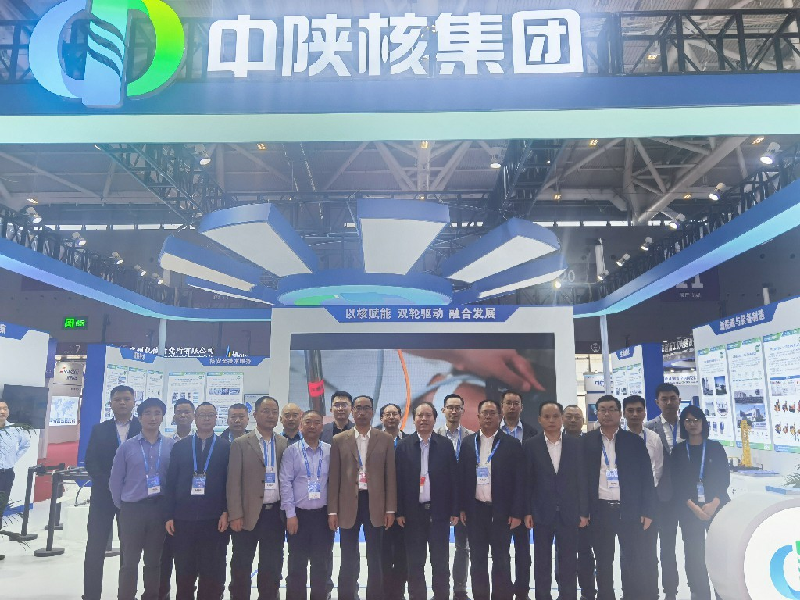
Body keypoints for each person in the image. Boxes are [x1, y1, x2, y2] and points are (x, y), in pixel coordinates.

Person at [583, 395, 657, 600]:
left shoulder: (633, 441)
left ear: (619, 413)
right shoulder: (586, 441)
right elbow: (581, 479)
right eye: (602, 409)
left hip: (629, 511)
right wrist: (583, 511)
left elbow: (646, 478)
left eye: (611, 409)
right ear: (597, 413)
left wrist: (647, 510)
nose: (607, 414)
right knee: (603, 561)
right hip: (600, 511)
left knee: (633, 559)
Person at [328, 394, 397, 600]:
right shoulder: (339, 440)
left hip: (376, 504)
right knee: (348, 556)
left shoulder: (385, 439)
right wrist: (332, 510)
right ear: (352, 411)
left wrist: (390, 509)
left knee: (375, 557)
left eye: (366, 408)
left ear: (372, 412)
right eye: (358, 408)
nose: (362, 412)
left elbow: (390, 477)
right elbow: (334, 477)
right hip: (347, 504)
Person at [459, 399, 525, 600]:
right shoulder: (468, 443)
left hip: (502, 512)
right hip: (475, 511)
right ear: (478, 416)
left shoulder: (512, 445)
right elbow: (462, 478)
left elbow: (520, 481)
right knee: (477, 560)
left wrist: (516, 512)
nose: (488, 417)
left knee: (501, 559)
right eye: (484, 413)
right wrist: (462, 508)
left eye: (492, 413)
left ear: (500, 416)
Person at [110, 397, 175, 600]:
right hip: (132, 510)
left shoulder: (171, 446)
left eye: (157, 413)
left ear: (162, 417)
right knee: (129, 561)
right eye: (147, 413)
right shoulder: (127, 447)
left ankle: (151, 596)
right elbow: (115, 481)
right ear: (139, 418)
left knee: (154, 561)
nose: (152, 418)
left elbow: (173, 480)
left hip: (158, 509)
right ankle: (126, 596)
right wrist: (123, 506)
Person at [164, 402, 230, 600]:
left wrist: (225, 511)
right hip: (183, 518)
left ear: (216, 418)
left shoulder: (225, 447)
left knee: (211, 570)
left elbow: (229, 483)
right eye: (202, 415)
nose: (206, 419)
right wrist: (169, 515)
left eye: (210, 415)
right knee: (184, 568)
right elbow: (171, 482)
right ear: (195, 418)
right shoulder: (180, 447)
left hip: (214, 519)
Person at [524, 401, 588, 600]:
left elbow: (582, 480)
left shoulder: (576, 444)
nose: (551, 420)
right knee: (542, 562)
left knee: (569, 562)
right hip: (541, 513)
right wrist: (527, 511)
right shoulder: (531, 445)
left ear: (561, 419)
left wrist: (584, 511)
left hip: (570, 512)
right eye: (547, 416)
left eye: (555, 416)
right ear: (539, 420)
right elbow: (527, 481)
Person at [83, 385, 142, 600]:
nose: (122, 403)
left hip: (132, 498)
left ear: (134, 402)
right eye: (118, 399)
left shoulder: (143, 427)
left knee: (130, 549)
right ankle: (91, 595)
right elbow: (90, 461)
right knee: (95, 547)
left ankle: (126, 594)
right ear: (111, 403)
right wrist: (110, 483)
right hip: (103, 497)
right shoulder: (100, 429)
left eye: (127, 399)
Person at [227, 396, 289, 600]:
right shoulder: (240, 443)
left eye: (274, 412)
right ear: (255, 415)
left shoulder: (283, 443)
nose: (270, 416)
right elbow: (233, 482)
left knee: (272, 566)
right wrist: (235, 514)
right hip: (247, 514)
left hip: (275, 515)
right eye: (265, 411)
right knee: (241, 564)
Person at [395, 401, 458, 600]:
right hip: (413, 514)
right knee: (415, 563)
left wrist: (454, 510)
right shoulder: (403, 446)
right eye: (420, 415)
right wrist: (399, 512)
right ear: (413, 419)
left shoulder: (445, 445)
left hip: (439, 513)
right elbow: (398, 482)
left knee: (440, 562)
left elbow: (453, 480)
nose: (424, 419)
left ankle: (441, 596)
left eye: (428, 415)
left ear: (435, 419)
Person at [671, 406, 730, 600]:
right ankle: (700, 593)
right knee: (694, 555)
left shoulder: (715, 447)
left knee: (718, 552)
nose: (692, 424)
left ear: (703, 422)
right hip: (690, 511)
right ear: (683, 424)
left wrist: (714, 503)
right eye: (688, 420)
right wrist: (694, 507)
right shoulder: (678, 451)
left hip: (717, 508)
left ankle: (721, 594)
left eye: (696, 420)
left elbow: (724, 478)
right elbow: (676, 482)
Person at [279, 410, 334, 600]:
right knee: (297, 564)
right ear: (301, 426)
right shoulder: (291, 451)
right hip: (298, 516)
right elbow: (285, 483)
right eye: (308, 422)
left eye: (316, 422)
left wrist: (333, 512)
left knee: (321, 564)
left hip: (323, 516)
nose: (312, 426)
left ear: (322, 427)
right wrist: (290, 514)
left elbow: (335, 483)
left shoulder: (330, 450)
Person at [644, 383, 683, 600]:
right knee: (663, 547)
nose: (669, 402)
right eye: (664, 399)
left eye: (672, 398)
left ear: (679, 400)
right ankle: (664, 591)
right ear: (657, 402)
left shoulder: (688, 426)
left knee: (689, 547)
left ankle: (680, 590)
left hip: (687, 497)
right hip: (661, 497)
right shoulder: (648, 429)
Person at [500, 390, 537, 600]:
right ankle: (504, 590)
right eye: (508, 403)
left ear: (522, 407)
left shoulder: (533, 433)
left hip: (525, 502)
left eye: (516, 403)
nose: (512, 407)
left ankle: (522, 591)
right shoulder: (492, 433)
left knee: (523, 552)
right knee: (501, 552)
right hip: (500, 502)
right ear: (502, 406)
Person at [436, 393, 473, 600]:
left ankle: (460, 588)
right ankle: (440, 589)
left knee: (462, 546)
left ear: (463, 411)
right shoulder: (434, 435)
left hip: (464, 498)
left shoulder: (471, 437)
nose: (453, 411)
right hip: (441, 498)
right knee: (438, 546)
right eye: (450, 407)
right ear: (443, 410)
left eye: (457, 408)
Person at [559, 405, 594, 600]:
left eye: (577, 417)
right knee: (562, 553)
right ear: (563, 418)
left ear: (583, 421)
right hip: (560, 509)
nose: (573, 420)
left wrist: (585, 510)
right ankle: (565, 592)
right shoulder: (554, 441)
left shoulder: (590, 442)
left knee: (585, 552)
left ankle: (588, 592)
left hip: (586, 508)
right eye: (569, 416)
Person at [161, 398, 195, 599]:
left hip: (192, 506)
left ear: (193, 415)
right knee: (164, 557)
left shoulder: (200, 441)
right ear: (173, 416)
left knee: (188, 559)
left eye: (187, 411)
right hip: (168, 504)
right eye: (179, 412)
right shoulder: (165, 442)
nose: (183, 415)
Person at [379, 402, 407, 600]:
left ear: (400, 417)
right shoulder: (374, 441)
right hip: (380, 508)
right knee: (382, 553)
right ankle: (384, 592)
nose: (391, 417)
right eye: (387, 414)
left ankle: (398, 593)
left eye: (394, 414)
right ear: (381, 418)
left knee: (402, 554)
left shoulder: (410, 441)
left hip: (404, 507)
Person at [0, 399, 31, 561]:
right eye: (0, 409)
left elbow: (25, 445)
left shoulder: (15, 430)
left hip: (6, 475)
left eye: (5, 408)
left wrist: (12, 460)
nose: (2, 412)